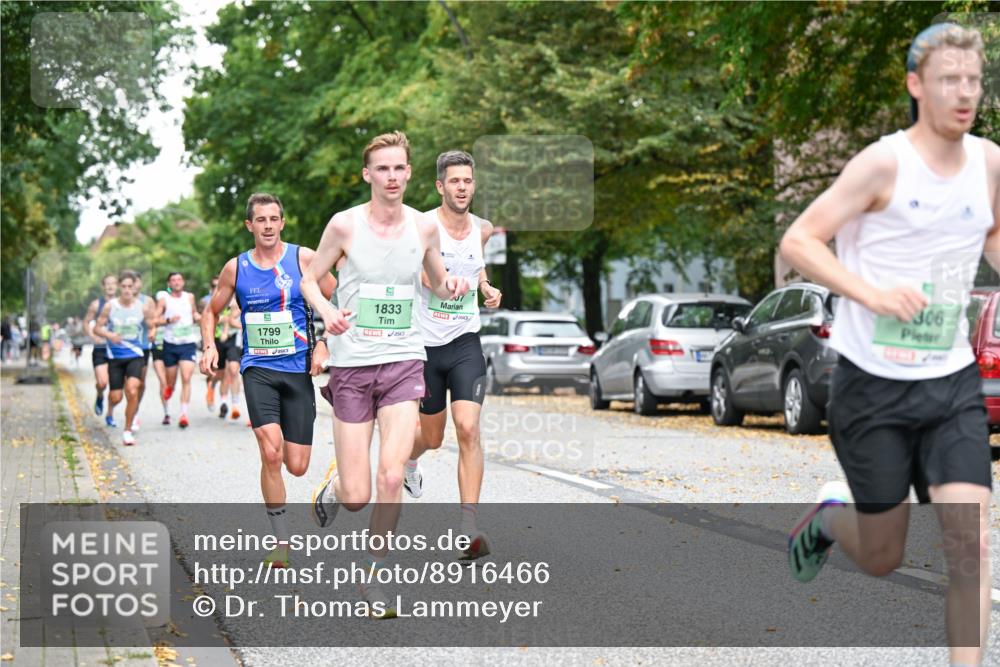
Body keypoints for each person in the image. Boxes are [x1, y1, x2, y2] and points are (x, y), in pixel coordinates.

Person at [780, 23, 998, 666]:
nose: (964, 94)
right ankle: (827, 521)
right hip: (871, 382)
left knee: (970, 548)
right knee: (882, 555)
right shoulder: (883, 163)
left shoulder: (988, 164)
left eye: (974, 80)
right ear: (915, 86)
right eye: (948, 80)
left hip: (951, 382)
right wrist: (871, 295)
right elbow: (799, 241)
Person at [300, 131, 470, 617]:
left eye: (399, 168)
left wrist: (452, 284)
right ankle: (336, 487)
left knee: (392, 476)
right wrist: (325, 312)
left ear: (410, 173)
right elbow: (310, 278)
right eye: (383, 169)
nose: (392, 177)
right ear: (367, 175)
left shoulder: (424, 228)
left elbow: (437, 282)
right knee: (357, 496)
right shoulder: (345, 225)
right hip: (353, 364)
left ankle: (374, 579)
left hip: (403, 360)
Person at [200, 192, 335, 569]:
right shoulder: (236, 268)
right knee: (270, 451)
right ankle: (281, 542)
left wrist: (325, 343)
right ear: (250, 225)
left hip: (297, 370)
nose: (269, 226)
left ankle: (327, 484)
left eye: (274, 218)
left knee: (297, 465)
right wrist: (210, 346)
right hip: (257, 368)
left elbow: (338, 296)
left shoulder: (303, 259)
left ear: (283, 222)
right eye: (261, 220)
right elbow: (210, 313)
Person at [404, 150, 502, 560]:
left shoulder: (483, 228)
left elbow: (476, 266)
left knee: (468, 428)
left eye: (468, 181)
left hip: (465, 342)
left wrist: (485, 287)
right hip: (427, 345)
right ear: (440, 186)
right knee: (431, 436)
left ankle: (468, 526)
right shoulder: (423, 226)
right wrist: (440, 284)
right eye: (454, 181)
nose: (462, 187)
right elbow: (422, 273)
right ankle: (410, 462)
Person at [93, 270, 158, 446]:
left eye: (130, 286)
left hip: (135, 355)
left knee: (132, 390)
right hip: (115, 357)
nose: (128, 290)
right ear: (119, 287)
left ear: (134, 288)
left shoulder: (142, 306)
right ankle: (107, 408)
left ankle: (128, 430)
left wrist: (152, 333)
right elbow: (97, 328)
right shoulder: (110, 306)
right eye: (124, 287)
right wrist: (110, 335)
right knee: (116, 397)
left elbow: (152, 325)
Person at [157, 272, 201, 428]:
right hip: (170, 343)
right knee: (171, 382)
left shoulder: (189, 297)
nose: (176, 282)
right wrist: (168, 320)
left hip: (188, 343)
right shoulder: (164, 299)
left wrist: (199, 317)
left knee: (186, 377)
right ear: (169, 283)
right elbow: (155, 320)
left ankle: (183, 414)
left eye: (179, 279)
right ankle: (169, 388)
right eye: (173, 280)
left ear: (183, 282)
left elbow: (194, 312)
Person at [84, 274, 118, 423]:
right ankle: (99, 395)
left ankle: (110, 414)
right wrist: (93, 336)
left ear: (117, 286)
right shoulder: (96, 304)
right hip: (101, 348)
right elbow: (86, 322)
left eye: (113, 283)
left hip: (117, 349)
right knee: (102, 383)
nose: (110, 286)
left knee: (115, 385)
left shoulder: (122, 304)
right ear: (103, 286)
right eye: (107, 284)